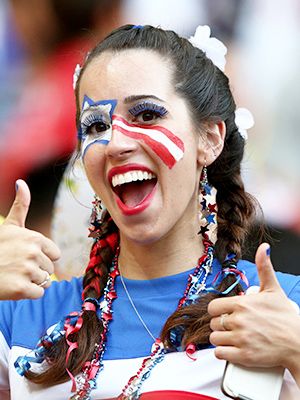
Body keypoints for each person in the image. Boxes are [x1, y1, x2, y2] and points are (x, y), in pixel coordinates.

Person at [0, 24, 299, 400]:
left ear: (209, 138)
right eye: (95, 125)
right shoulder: (20, 316)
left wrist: (297, 350)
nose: (116, 143)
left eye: (146, 116)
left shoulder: (282, 306)